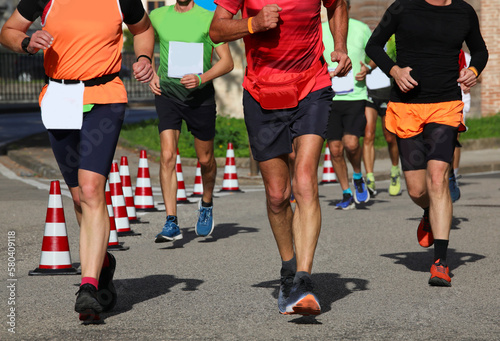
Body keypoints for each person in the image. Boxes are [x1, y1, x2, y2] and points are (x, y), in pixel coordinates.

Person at [0, 0, 154, 321]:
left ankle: (88, 285)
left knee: (91, 188)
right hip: (59, 99)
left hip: (105, 97)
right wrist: (27, 43)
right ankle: (102, 263)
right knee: (78, 196)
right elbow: (9, 31)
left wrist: (143, 58)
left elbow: (144, 29)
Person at [210, 0, 351, 315]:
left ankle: (303, 279)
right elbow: (216, 30)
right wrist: (253, 24)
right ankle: (288, 268)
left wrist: (339, 46)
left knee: (304, 180)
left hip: (311, 87)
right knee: (277, 195)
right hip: (263, 94)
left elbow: (338, 5)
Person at [366, 0, 488, 287]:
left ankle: (441, 261)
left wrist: (474, 71)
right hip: (407, 106)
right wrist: (394, 71)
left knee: (438, 179)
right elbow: (373, 46)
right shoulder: (402, 8)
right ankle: (427, 211)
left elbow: (479, 50)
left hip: (445, 105)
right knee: (417, 188)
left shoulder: (464, 11)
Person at [149, 0, 233, 242]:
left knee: (205, 159)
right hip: (168, 95)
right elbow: (142, 37)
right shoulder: (157, 15)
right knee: (167, 155)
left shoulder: (209, 18)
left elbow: (228, 62)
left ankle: (206, 204)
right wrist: (152, 72)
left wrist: (201, 78)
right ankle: (171, 221)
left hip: (199, 97)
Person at [322, 0, 371, 210]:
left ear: (346, 8)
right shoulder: (320, 30)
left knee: (351, 143)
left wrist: (368, 67)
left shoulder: (361, 28)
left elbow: (376, 54)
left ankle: (358, 176)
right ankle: (346, 192)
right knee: (334, 149)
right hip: (327, 96)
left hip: (355, 96)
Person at [364, 34, 402, 197]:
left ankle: (395, 171)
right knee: (368, 135)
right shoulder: (367, 38)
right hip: (369, 93)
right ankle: (370, 177)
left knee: (390, 137)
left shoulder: (392, 40)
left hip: (387, 93)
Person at [449, 49, 472, 203]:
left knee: (453, 137)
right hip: (440, 99)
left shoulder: (466, 56)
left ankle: (453, 174)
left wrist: (469, 78)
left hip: (461, 99)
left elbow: (478, 76)